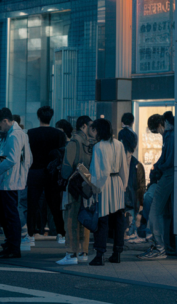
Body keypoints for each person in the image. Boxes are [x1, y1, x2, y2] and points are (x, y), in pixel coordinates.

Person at [0, 107, 32, 259]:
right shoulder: (20, 133)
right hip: (15, 179)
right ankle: (12, 246)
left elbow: (11, 159)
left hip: (10, 180)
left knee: (11, 216)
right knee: (11, 214)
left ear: (5, 120)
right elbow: (28, 159)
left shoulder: (14, 135)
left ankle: (13, 248)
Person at [87, 118, 128, 266]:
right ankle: (117, 252)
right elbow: (125, 166)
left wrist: (95, 188)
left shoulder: (98, 147)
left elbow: (97, 171)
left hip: (104, 184)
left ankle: (100, 254)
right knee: (118, 220)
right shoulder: (119, 144)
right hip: (117, 181)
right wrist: (123, 185)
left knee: (102, 220)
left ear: (98, 130)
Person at [56, 115, 94, 265]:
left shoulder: (74, 142)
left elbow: (66, 166)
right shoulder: (91, 144)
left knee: (71, 219)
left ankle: (71, 254)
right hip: (87, 185)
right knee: (84, 219)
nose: (92, 129)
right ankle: (83, 251)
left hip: (74, 185)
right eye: (91, 126)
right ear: (84, 126)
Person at [26, 106, 67, 244]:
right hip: (53, 173)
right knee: (55, 205)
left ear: (39, 117)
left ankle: (30, 234)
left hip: (35, 171)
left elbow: (27, 155)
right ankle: (61, 234)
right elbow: (62, 154)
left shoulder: (30, 133)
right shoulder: (59, 134)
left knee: (32, 204)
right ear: (51, 117)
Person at [137, 113, 174, 260]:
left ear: (159, 125)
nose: (157, 134)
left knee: (154, 211)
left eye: (155, 131)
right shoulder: (171, 134)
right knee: (163, 212)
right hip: (170, 175)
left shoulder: (169, 136)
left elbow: (168, 160)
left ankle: (159, 247)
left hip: (168, 175)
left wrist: (158, 168)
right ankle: (164, 246)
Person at [119, 124, 145, 242]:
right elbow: (141, 188)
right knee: (128, 233)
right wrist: (140, 206)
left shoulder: (117, 161)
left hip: (120, 202)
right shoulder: (137, 164)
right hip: (131, 202)